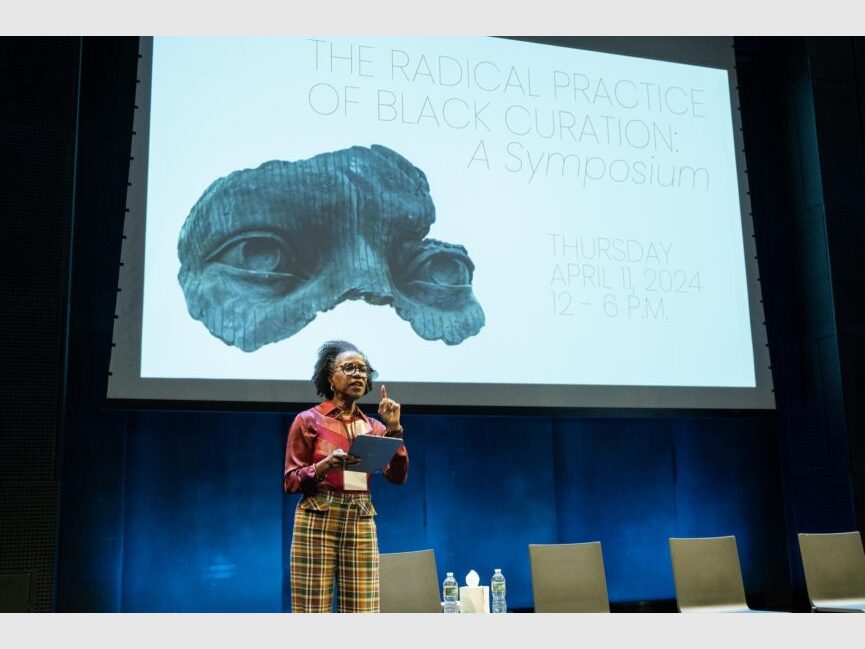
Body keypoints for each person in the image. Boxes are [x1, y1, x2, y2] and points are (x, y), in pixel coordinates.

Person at [283, 340, 408, 613]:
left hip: (360, 518)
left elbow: (397, 477)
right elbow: (290, 481)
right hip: (317, 516)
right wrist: (324, 466)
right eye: (349, 368)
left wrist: (394, 429)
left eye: (363, 370)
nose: (358, 375)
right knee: (311, 610)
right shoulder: (309, 420)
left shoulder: (374, 427)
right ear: (331, 378)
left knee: (363, 611)